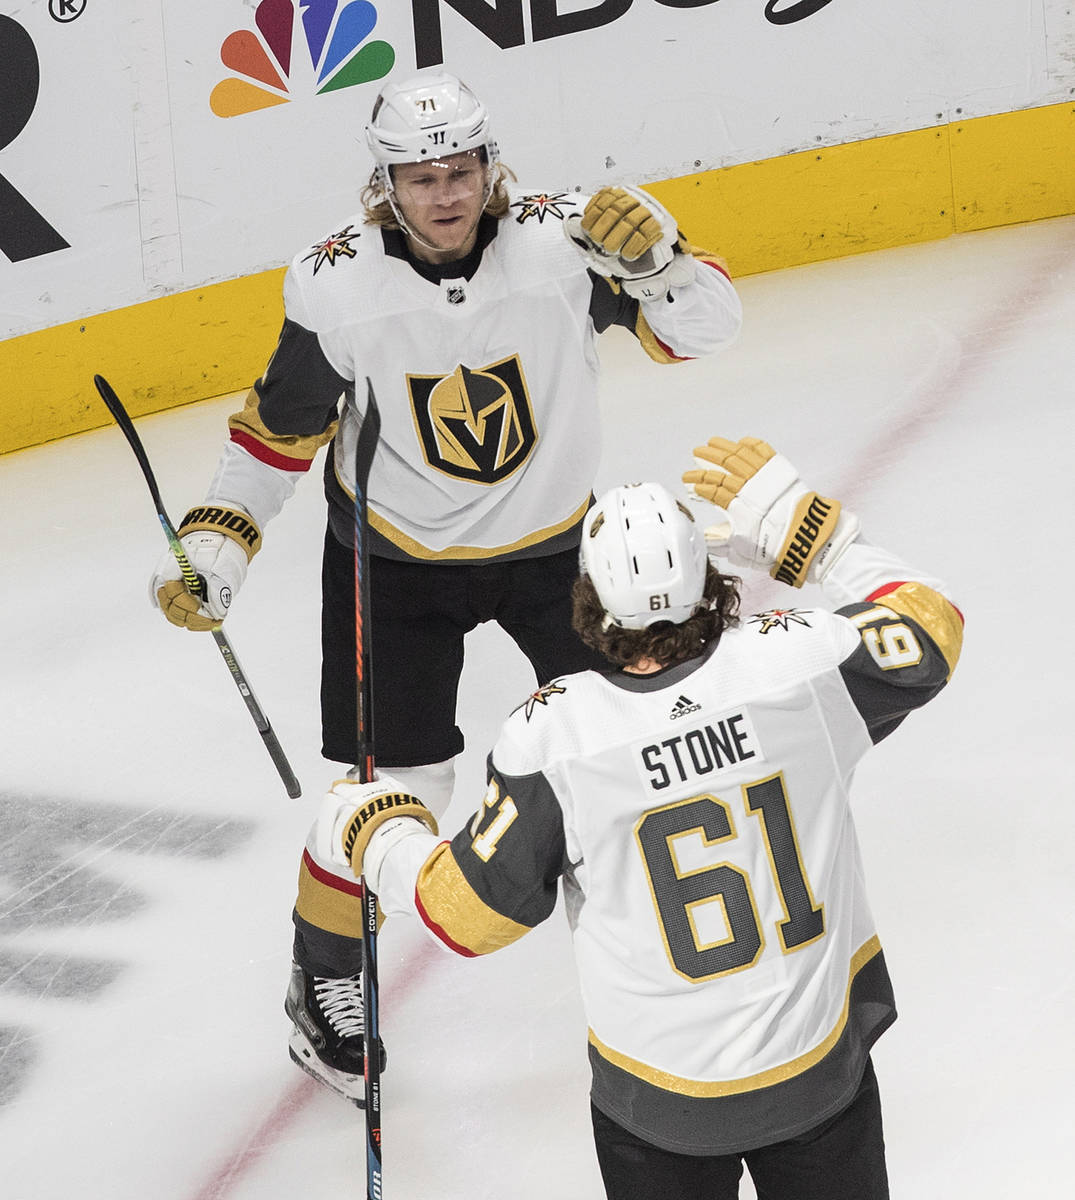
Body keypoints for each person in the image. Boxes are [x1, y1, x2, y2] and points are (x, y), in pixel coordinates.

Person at [147, 67, 743, 1102]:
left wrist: (664, 268)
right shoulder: (335, 283)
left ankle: (666, 943)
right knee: (396, 796)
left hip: (554, 549)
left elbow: (704, 334)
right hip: (394, 563)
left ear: (488, 165)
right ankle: (324, 982)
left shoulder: (564, 245)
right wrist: (222, 539)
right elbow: (280, 432)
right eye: (419, 175)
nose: (444, 192)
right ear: (384, 184)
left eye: (460, 168)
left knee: (639, 737)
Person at [312, 435, 964, 1199]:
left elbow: (466, 915)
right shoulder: (801, 667)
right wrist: (812, 537)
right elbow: (930, 622)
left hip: (659, 1108)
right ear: (710, 580)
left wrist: (379, 831)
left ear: (585, 602)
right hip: (817, 1077)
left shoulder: (554, 737)